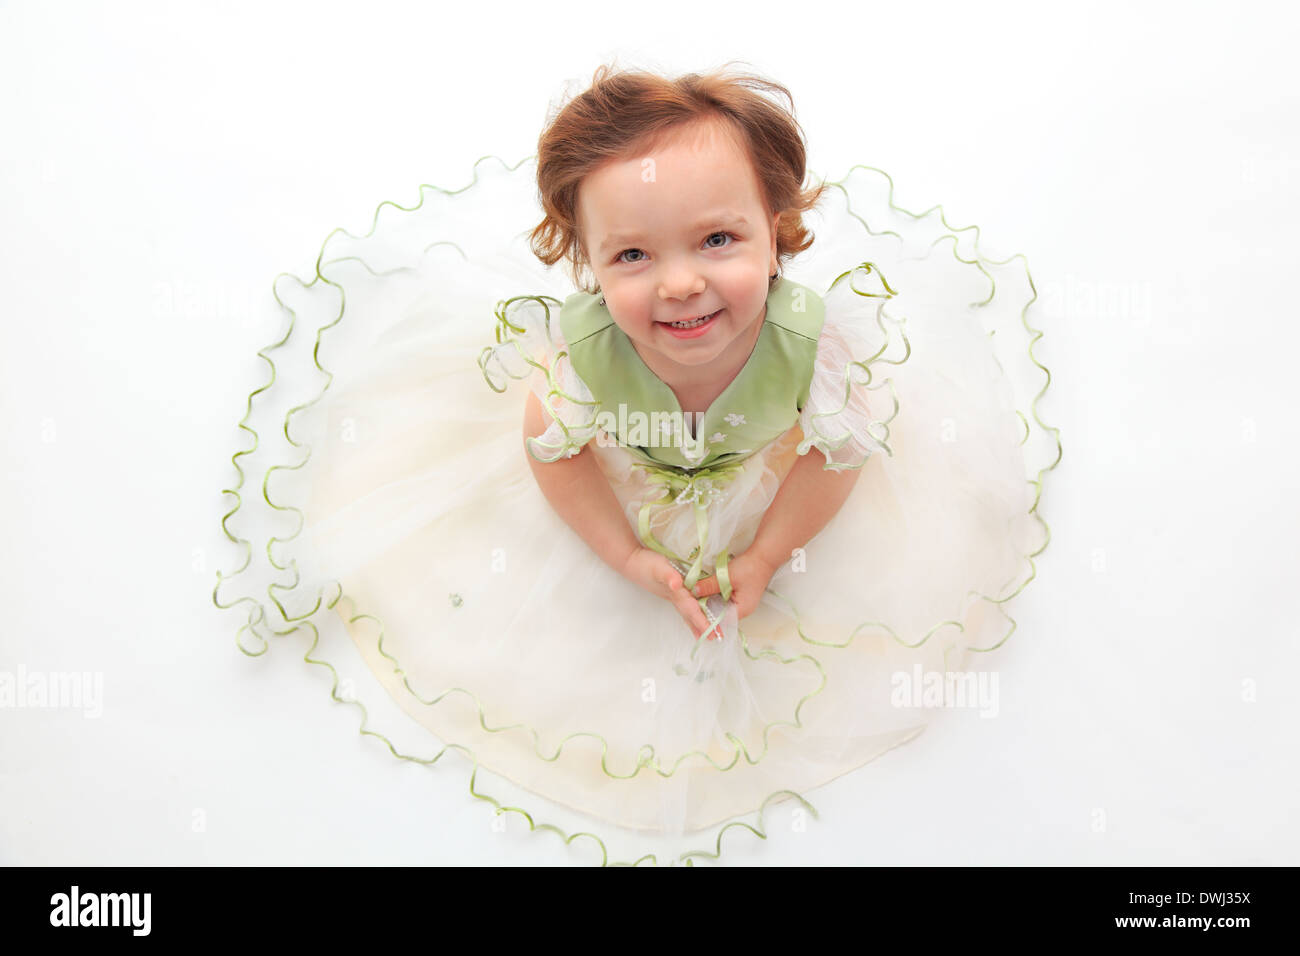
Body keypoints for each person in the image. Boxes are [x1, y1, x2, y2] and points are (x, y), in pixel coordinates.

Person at [215, 63, 1061, 866]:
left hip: (757, 469)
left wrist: (767, 553)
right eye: (633, 256)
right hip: (633, 468)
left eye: (718, 239)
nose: (681, 284)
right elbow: (558, 456)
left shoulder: (814, 347)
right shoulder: (582, 362)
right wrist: (624, 551)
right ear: (587, 264)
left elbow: (833, 459)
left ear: (777, 235)